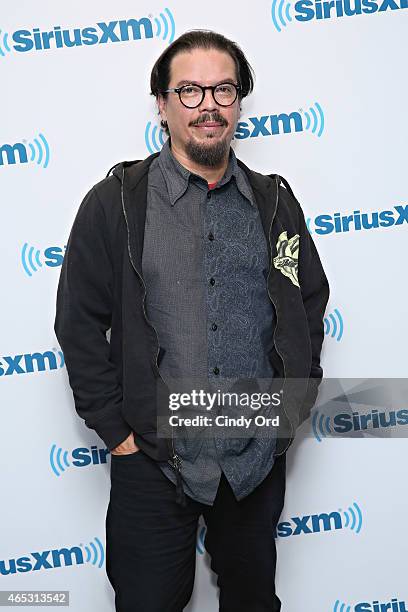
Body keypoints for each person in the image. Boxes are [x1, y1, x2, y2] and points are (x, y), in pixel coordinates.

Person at [54, 29, 330, 612]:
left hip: (253, 460)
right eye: (190, 91)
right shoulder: (117, 203)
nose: (209, 104)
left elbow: (309, 300)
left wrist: (290, 410)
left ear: (238, 102)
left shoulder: (274, 203)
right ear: (161, 103)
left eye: (223, 90)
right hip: (153, 461)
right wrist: (118, 435)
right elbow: (79, 322)